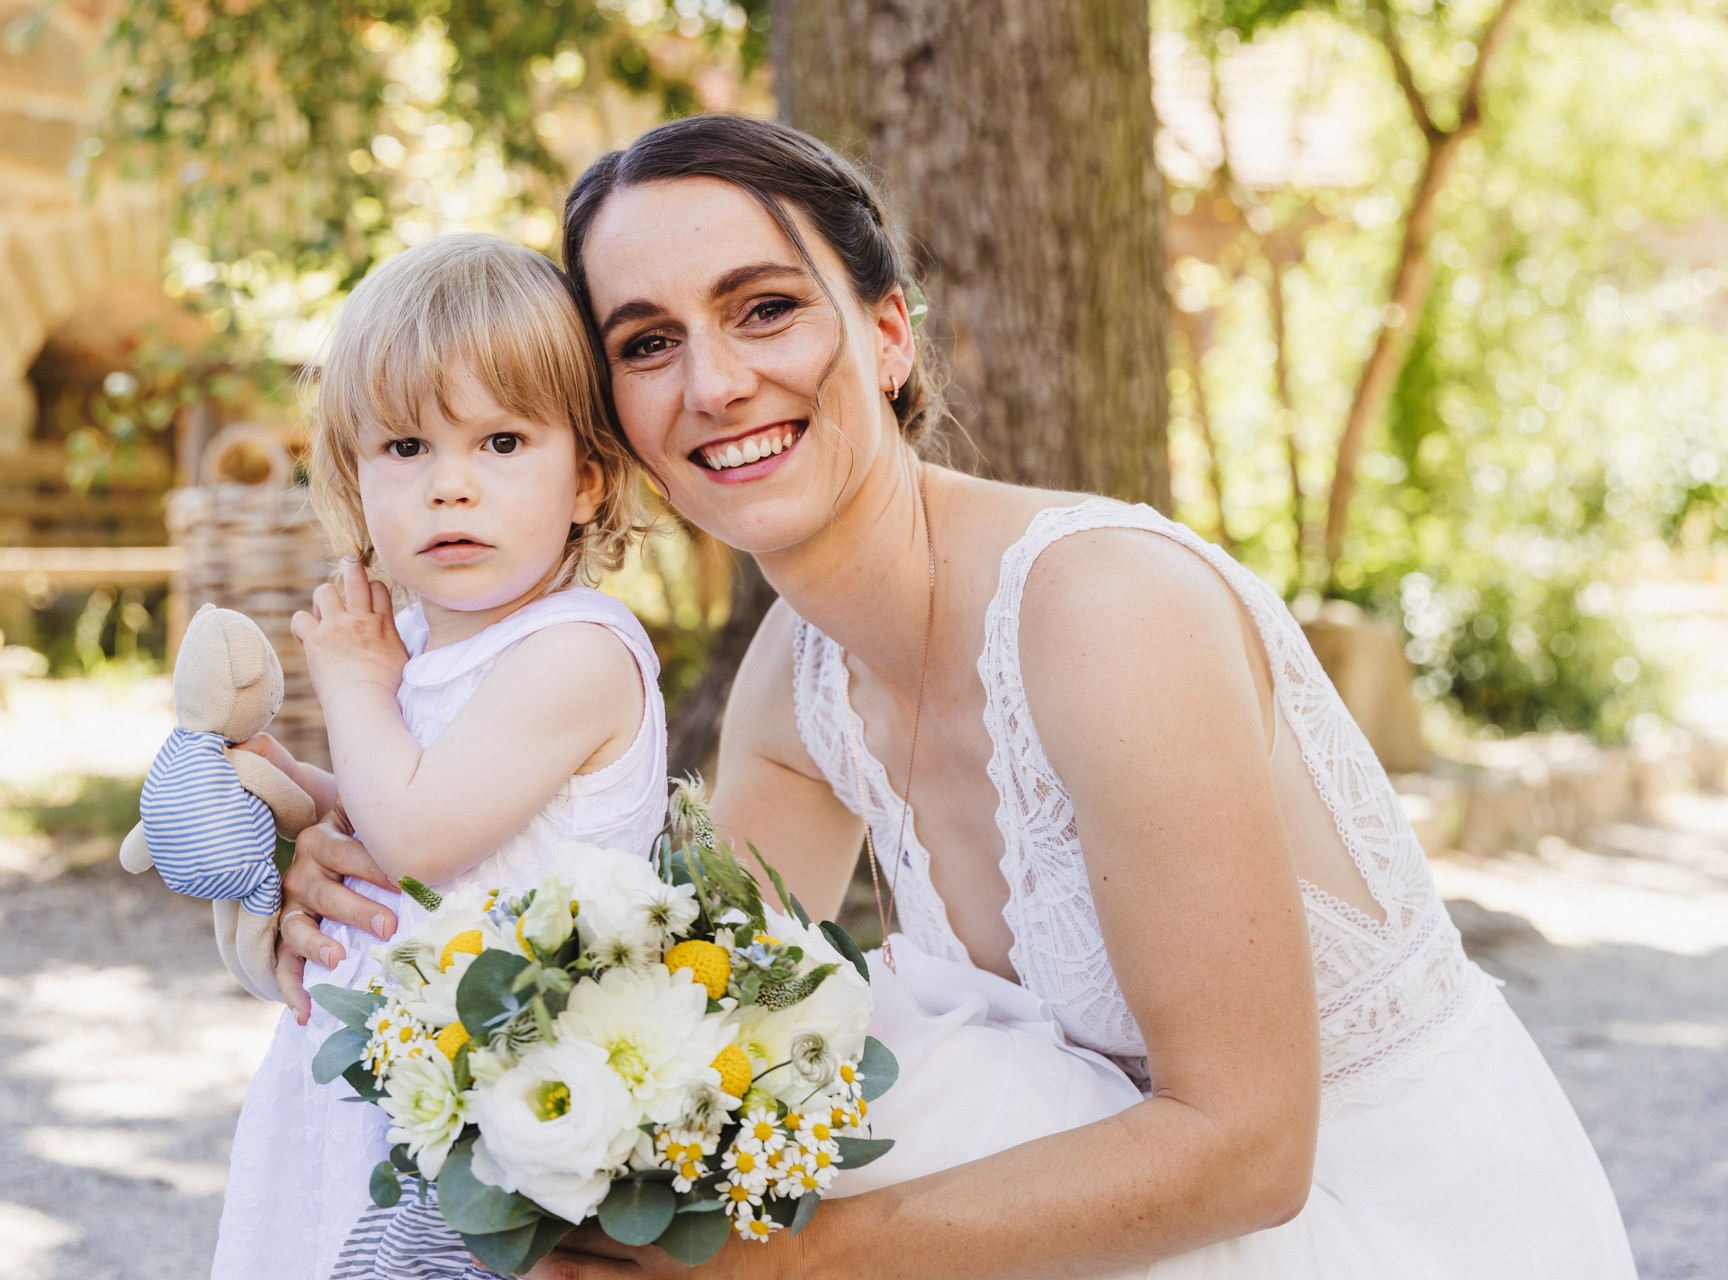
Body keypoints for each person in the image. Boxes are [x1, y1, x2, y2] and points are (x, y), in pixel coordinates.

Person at [270, 116, 1637, 1278]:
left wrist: (791, 1265)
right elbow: (670, 1005)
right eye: (645, 341)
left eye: (765, 309)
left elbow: (1248, 1151)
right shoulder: (794, 692)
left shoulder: (1106, 610)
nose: (715, 380)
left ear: (887, 335)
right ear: (613, 427)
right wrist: (363, 889)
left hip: (1385, 1221)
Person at [212, 232, 666, 1280]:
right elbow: (383, 810)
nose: (450, 485)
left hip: (495, 1109)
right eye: (406, 449)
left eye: (502, 443)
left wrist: (355, 683)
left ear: (589, 479)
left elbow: (415, 835)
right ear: (355, 478)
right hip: (368, 1081)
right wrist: (282, 786)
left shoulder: (577, 653)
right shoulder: (414, 647)